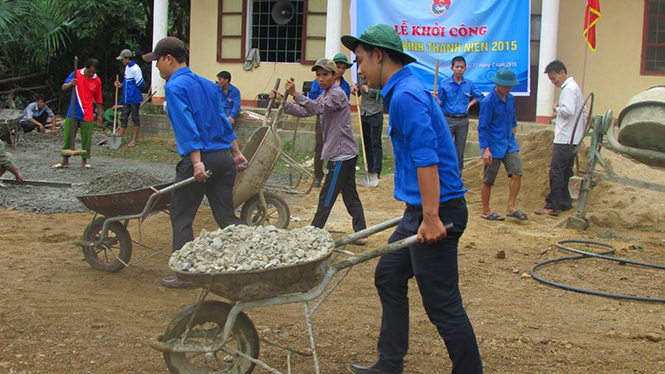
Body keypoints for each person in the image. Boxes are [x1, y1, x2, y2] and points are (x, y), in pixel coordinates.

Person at [341, 24, 483, 374]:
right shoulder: (401, 90)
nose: (359, 69)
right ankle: (390, 364)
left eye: (360, 61)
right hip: (419, 210)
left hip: (438, 211)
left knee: (444, 306)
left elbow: (426, 159)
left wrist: (431, 217)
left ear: (378, 55)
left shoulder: (406, 96)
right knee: (388, 276)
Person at [142, 37, 248, 288]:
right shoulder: (206, 83)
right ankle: (251, 258)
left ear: (169, 58)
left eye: (157, 61)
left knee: (181, 214)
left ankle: (185, 275)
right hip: (223, 158)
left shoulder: (175, 87)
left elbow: (186, 127)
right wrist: (236, 152)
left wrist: (197, 163)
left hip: (201, 161)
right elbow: (222, 119)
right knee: (226, 217)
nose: (156, 67)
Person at [271, 58, 368, 244]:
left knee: (327, 194)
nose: (321, 78)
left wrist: (296, 94)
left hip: (342, 154)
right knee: (349, 194)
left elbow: (317, 108)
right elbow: (306, 111)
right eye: (318, 75)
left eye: (325, 75)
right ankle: (361, 232)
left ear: (334, 75)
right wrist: (281, 102)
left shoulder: (337, 94)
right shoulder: (326, 94)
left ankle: (314, 231)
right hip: (342, 153)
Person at [535, 60, 587, 216]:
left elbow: (568, 111)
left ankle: (552, 205)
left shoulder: (569, 89)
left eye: (554, 78)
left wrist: (556, 108)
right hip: (572, 137)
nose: (553, 82)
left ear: (562, 72)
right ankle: (565, 202)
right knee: (566, 172)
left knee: (556, 172)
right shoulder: (572, 87)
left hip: (565, 137)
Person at [477, 68, 528, 221]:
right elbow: (483, 126)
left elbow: (513, 121)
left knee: (517, 172)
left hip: (509, 143)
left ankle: (511, 207)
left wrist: (513, 137)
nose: (508, 88)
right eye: (505, 85)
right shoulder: (488, 101)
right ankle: (486, 210)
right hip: (493, 145)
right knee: (489, 179)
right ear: (498, 84)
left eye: (510, 86)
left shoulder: (511, 99)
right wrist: (486, 149)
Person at [434, 56, 484, 175]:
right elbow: (440, 101)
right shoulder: (444, 83)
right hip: (448, 120)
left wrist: (470, 104)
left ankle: (458, 175)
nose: (459, 69)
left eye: (462, 67)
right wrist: (435, 99)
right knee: (445, 147)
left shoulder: (469, 84)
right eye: (457, 67)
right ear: (452, 68)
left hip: (463, 121)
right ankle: (444, 174)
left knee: (460, 150)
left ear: (465, 69)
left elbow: (480, 96)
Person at [308, 53, 352, 187]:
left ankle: (334, 177)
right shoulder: (320, 82)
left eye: (343, 68)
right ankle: (318, 176)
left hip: (337, 123)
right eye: (338, 67)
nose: (340, 70)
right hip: (322, 117)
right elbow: (314, 100)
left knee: (336, 149)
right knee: (320, 146)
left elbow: (343, 104)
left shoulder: (344, 87)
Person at [52, 58, 103, 169]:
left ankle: (84, 161)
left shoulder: (97, 81)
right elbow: (63, 87)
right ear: (86, 68)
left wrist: (99, 114)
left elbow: (98, 99)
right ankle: (65, 160)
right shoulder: (76, 74)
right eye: (90, 72)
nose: (91, 74)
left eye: (93, 73)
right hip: (74, 111)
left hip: (88, 113)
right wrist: (71, 83)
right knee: (68, 136)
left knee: (86, 138)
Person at [351, 73, 384, 178]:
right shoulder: (360, 77)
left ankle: (377, 171)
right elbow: (359, 92)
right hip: (364, 112)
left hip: (375, 112)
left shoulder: (378, 76)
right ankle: (369, 169)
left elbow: (382, 92)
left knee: (376, 142)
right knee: (366, 143)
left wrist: (369, 90)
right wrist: (354, 89)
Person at [114, 49, 145, 147]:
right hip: (127, 99)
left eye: (123, 59)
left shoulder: (136, 69)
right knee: (123, 118)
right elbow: (126, 82)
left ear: (127, 58)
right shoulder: (127, 68)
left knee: (135, 118)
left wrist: (134, 92)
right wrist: (121, 85)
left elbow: (141, 84)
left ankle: (134, 140)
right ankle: (118, 140)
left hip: (134, 98)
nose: (122, 61)